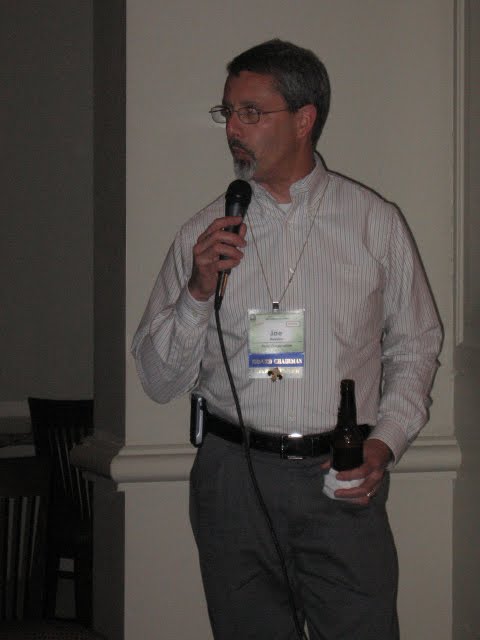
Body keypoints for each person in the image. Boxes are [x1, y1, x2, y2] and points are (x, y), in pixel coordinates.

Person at [132, 39, 442, 640]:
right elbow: (157, 380)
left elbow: (416, 345)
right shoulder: (204, 233)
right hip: (232, 475)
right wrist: (197, 290)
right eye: (228, 112)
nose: (233, 129)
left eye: (252, 112)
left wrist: (385, 443)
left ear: (304, 119)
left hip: (340, 475)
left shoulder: (374, 222)